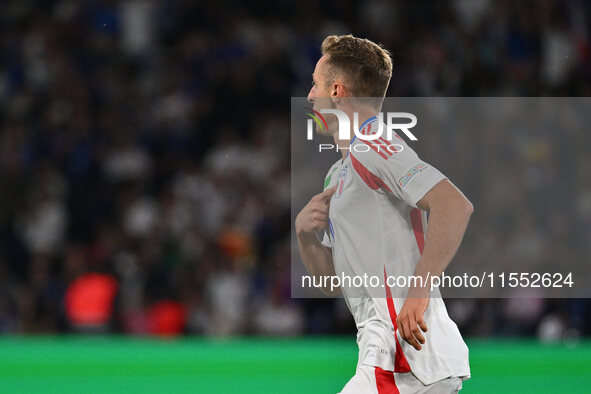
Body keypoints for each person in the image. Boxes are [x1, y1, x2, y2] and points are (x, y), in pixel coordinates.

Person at [295, 35, 473, 393]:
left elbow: (453, 205)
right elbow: (331, 285)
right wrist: (304, 234)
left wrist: (418, 291)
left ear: (336, 91)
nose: (309, 96)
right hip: (391, 354)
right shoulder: (338, 173)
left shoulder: (375, 145)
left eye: (315, 84)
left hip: (404, 356)